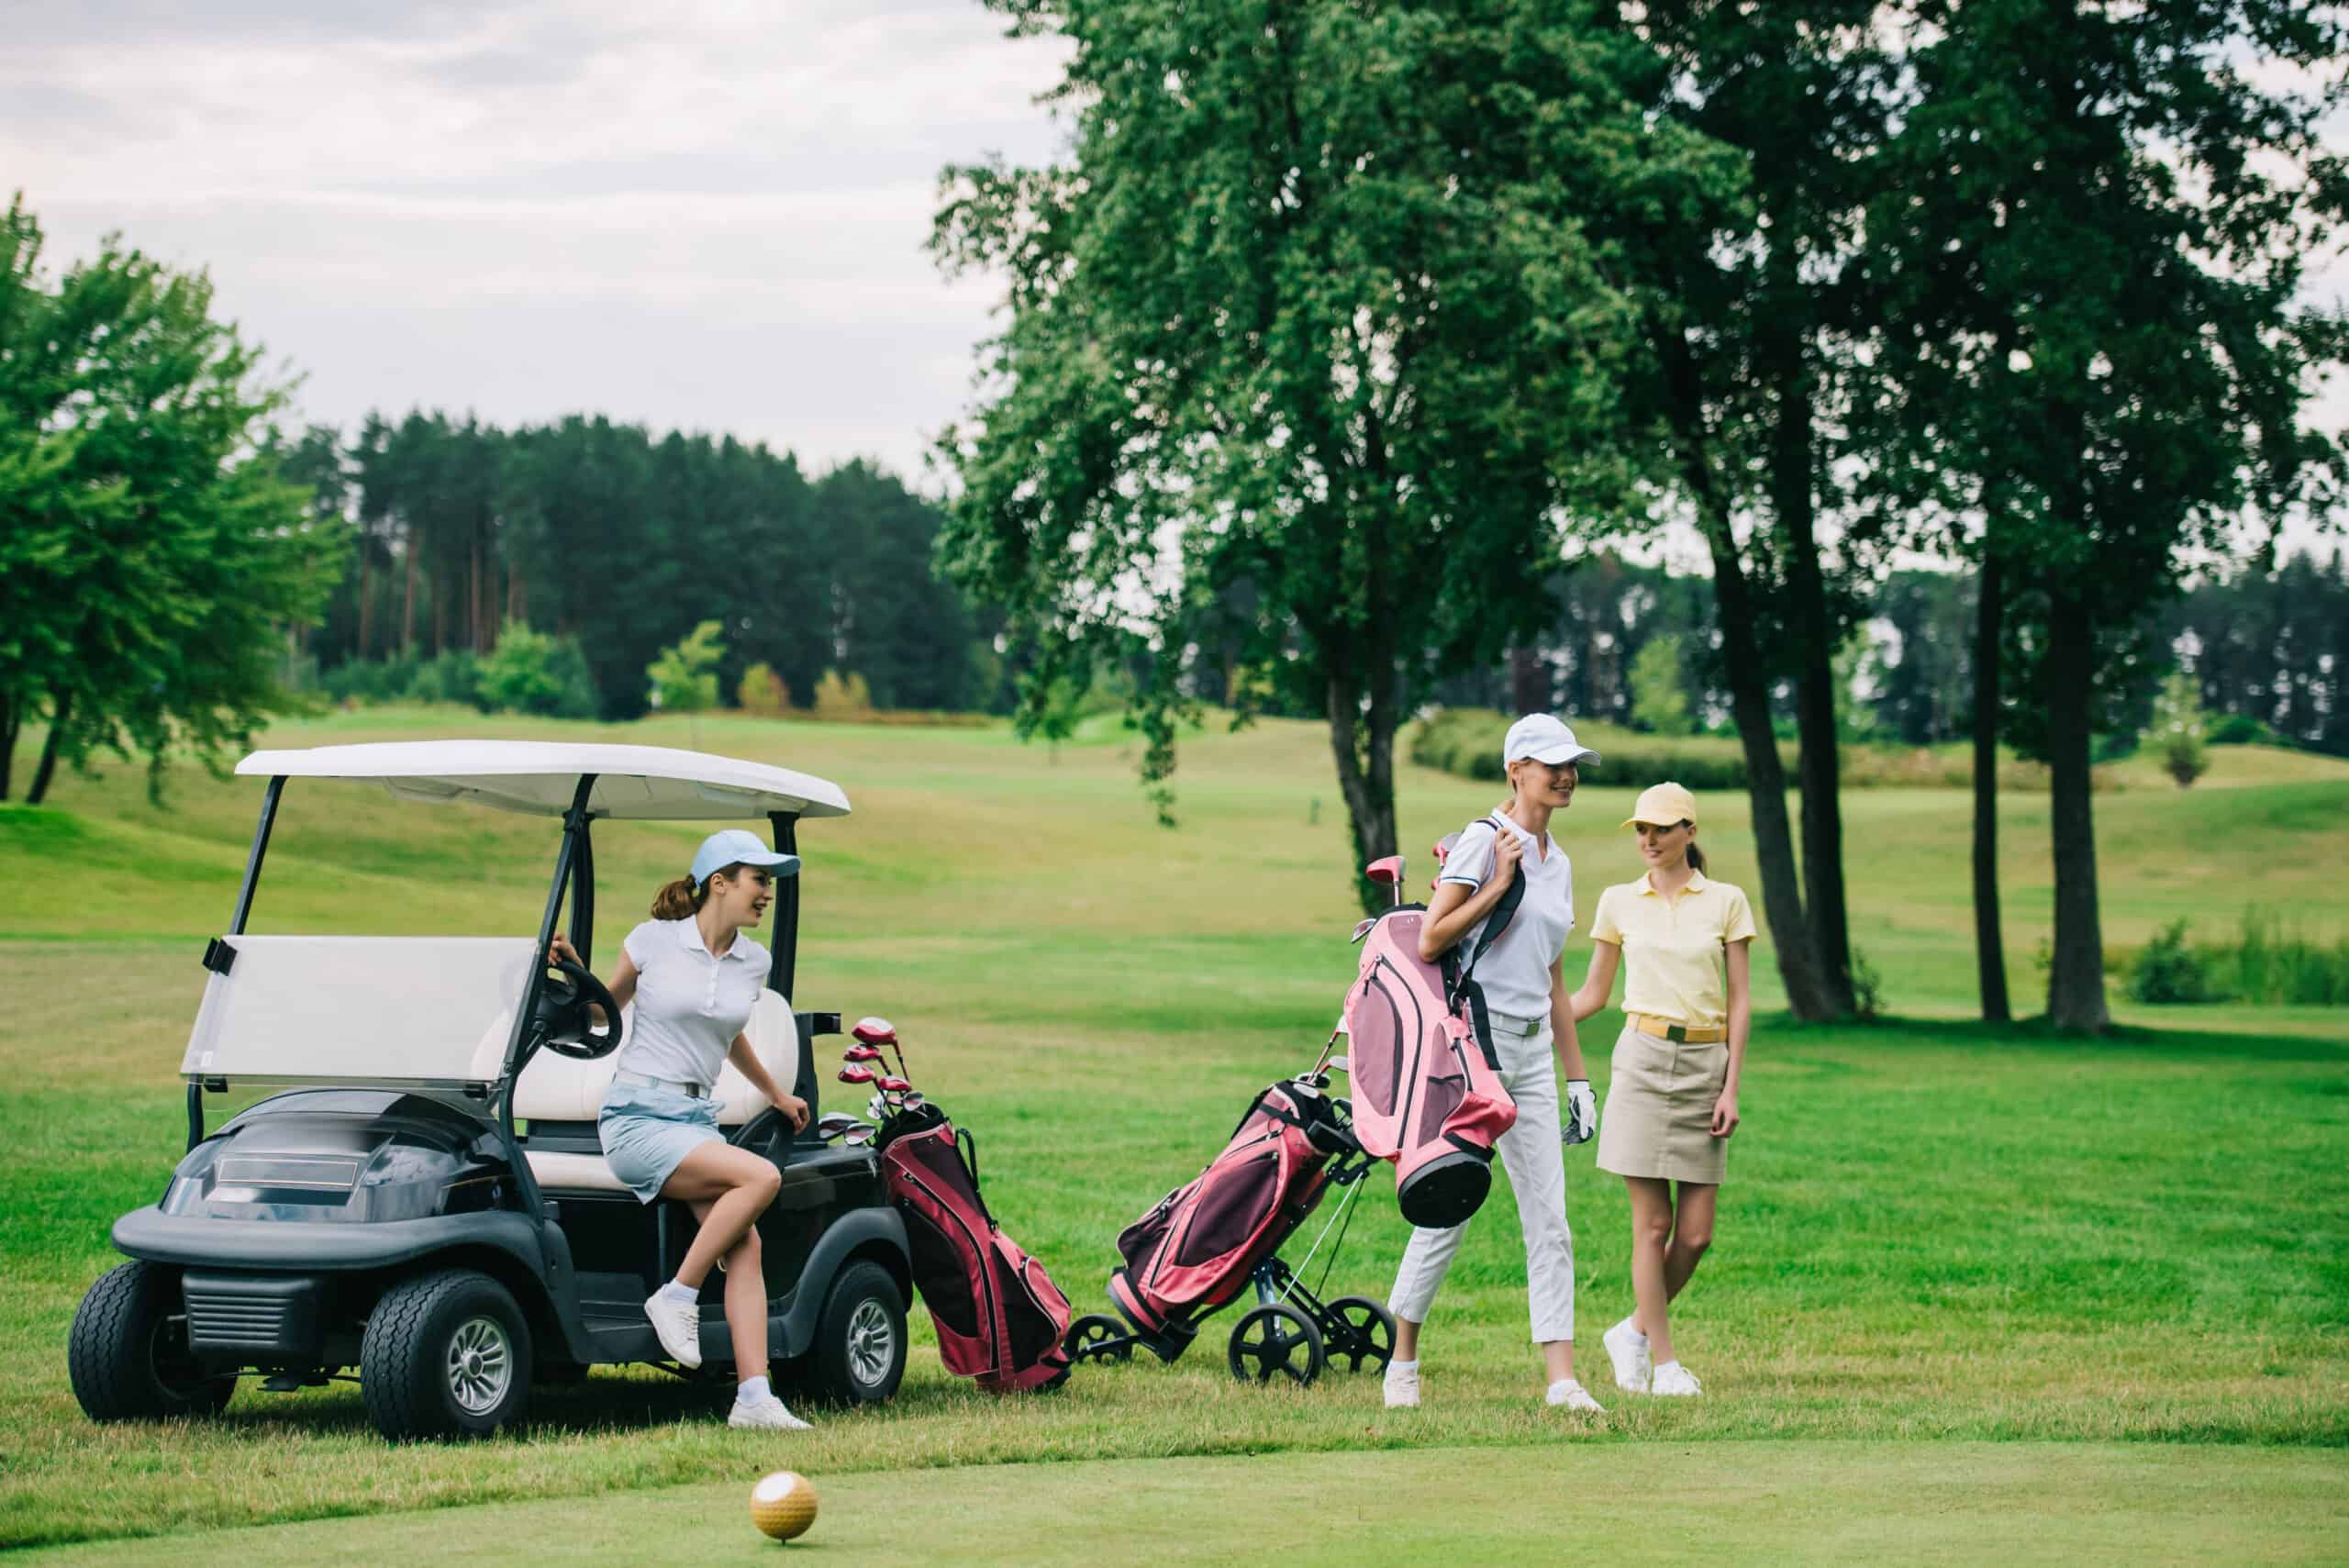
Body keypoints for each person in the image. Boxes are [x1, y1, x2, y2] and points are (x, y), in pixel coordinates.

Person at [548, 828, 814, 1430]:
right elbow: (600, 1011)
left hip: (694, 1122)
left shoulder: (753, 961)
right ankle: (678, 1293)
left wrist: (775, 1091)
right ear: (719, 881)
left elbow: (727, 1034)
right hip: (637, 1117)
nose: (767, 893)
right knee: (761, 1177)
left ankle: (753, 1398)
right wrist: (575, 972)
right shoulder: (653, 942)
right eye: (758, 880)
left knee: (746, 1243)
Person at [1382, 713, 1608, 1415]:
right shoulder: (1483, 841)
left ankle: (1561, 1380)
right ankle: (1403, 1361)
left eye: (1571, 764)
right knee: (1448, 1207)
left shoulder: (1561, 861)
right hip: (1473, 1052)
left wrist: (1577, 1077)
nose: (1565, 775)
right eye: (1551, 764)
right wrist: (1496, 880)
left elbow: (1555, 980)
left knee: (1551, 1219)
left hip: (1534, 1050)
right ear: (1517, 771)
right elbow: (1430, 939)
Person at [1569, 782, 1755, 1399]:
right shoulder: (1619, 901)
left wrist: (1731, 1085)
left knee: (1696, 1233)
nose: (1648, 840)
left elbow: (1739, 1000)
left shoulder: (1726, 901)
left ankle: (1631, 1330)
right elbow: (1593, 994)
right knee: (1653, 1224)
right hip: (1642, 1061)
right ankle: (1663, 1360)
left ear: (1689, 832)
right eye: (1641, 829)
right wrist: (1524, 1017)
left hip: (1707, 1063)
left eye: (1661, 828)